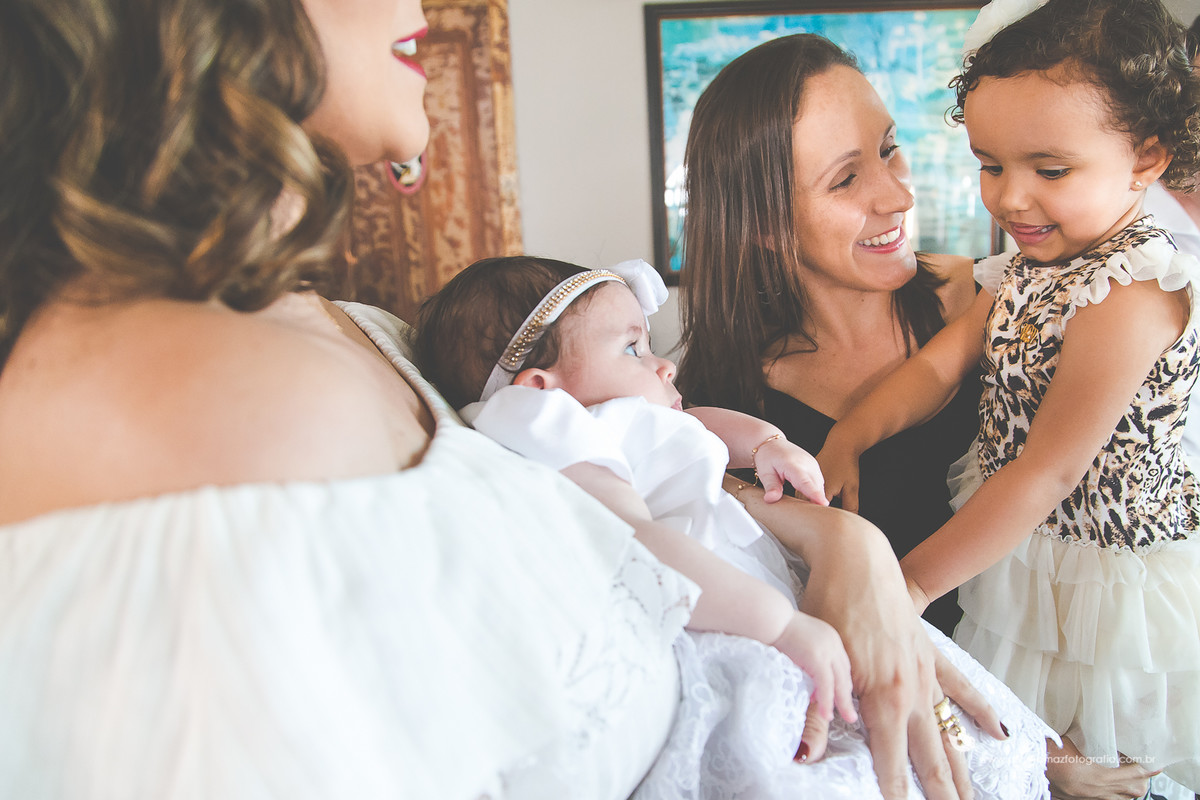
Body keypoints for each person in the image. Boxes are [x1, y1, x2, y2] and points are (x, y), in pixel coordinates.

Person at [0, 0, 1028, 798]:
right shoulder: (192, 413)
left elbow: (610, 487)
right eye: (845, 176)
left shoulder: (352, 328)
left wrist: (832, 540)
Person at [416, 252, 1054, 798]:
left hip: (764, 586)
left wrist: (768, 443)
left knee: (929, 714)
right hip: (727, 614)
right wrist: (781, 625)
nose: (663, 364)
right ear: (539, 387)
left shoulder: (632, 415)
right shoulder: (560, 430)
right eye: (633, 348)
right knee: (827, 741)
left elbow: (698, 419)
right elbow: (641, 545)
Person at [818, 0, 1200, 797]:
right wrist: (851, 432)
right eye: (991, 165)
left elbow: (1047, 471)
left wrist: (910, 586)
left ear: (1146, 159)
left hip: (1106, 578)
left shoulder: (1132, 287)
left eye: (1049, 171)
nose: (1011, 200)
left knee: (1102, 759)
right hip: (1026, 555)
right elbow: (937, 369)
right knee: (1015, 745)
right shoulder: (1031, 264)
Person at [675, 33, 980, 637]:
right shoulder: (724, 407)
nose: (900, 196)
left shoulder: (987, 301)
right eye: (845, 180)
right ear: (764, 223)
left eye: (890, 149)